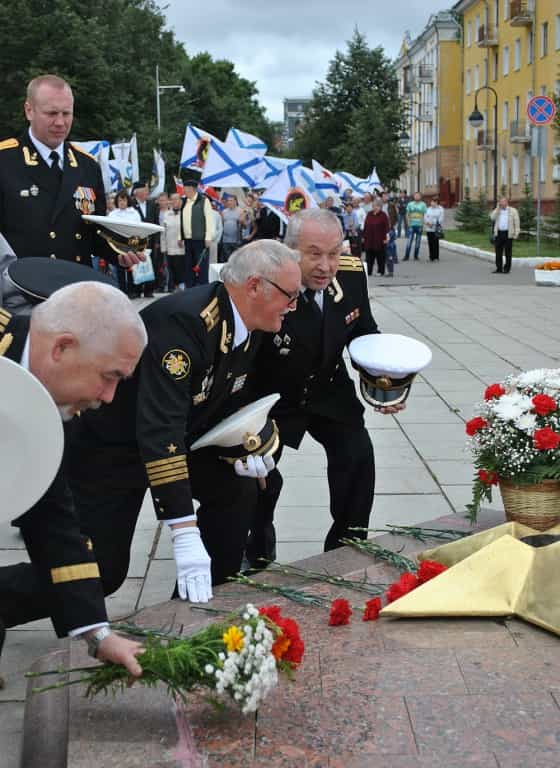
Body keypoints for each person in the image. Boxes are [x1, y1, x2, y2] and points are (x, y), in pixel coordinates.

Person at [65, 241, 301, 605]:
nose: (293, 306)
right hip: (113, 450)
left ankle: (201, 606)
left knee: (236, 488)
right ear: (254, 286)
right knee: (101, 571)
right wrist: (183, 530)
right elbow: (161, 429)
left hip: (179, 436)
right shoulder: (186, 322)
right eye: (290, 295)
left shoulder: (249, 322)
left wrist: (250, 440)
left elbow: (227, 396)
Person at [0, 282, 148, 679]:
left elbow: (53, 520)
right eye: (109, 376)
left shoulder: (53, 407)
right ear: (61, 348)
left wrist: (97, 634)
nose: (111, 396)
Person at [246, 209, 404, 568]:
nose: (326, 265)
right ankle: (256, 541)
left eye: (333, 253)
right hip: (272, 394)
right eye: (314, 253)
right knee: (259, 476)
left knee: (357, 456)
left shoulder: (350, 276)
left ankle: (348, 547)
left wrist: (385, 380)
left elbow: (363, 333)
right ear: (290, 251)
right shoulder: (263, 281)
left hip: (327, 385)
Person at [0, 74, 140, 272]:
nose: (60, 122)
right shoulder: (5, 161)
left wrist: (121, 252)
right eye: (51, 113)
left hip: (74, 286)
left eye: (67, 114)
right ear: (29, 110)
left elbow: (94, 233)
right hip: (20, 290)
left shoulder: (87, 166)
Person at [180, 179, 215, 288]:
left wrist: (209, 237)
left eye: (185, 188)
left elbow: (209, 220)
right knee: (188, 266)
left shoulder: (204, 201)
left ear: (193, 189)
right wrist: (180, 236)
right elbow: (181, 220)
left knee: (201, 266)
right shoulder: (185, 201)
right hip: (188, 239)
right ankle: (190, 288)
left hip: (200, 239)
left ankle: (202, 287)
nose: (184, 191)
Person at [108, 189, 141, 295]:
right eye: (120, 200)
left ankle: (133, 290)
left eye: (124, 200)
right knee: (120, 267)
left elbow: (139, 228)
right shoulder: (113, 214)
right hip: (118, 243)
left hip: (131, 243)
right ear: (117, 202)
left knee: (131, 267)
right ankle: (122, 290)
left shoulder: (134, 213)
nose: (122, 202)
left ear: (128, 201)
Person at [490, 197, 520, 274]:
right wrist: (497, 209)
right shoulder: (498, 210)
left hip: (508, 234)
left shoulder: (513, 211)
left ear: (507, 202)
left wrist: (516, 233)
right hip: (499, 233)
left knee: (508, 252)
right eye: (500, 202)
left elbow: (517, 223)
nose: (502, 203)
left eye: (503, 202)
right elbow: (492, 218)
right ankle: (499, 268)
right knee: (498, 252)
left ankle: (507, 268)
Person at [162, 192, 185, 290]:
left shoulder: (185, 213)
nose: (175, 201)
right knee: (171, 269)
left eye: (177, 199)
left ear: (181, 201)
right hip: (170, 247)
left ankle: (182, 287)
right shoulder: (166, 214)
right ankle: (174, 288)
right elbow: (163, 232)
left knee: (181, 268)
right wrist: (163, 247)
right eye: (173, 199)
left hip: (182, 248)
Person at [363, 200, 390, 276]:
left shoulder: (383, 215)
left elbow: (387, 227)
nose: (375, 207)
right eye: (374, 206)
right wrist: (363, 236)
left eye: (377, 206)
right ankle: (368, 271)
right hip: (369, 239)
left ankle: (380, 271)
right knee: (369, 257)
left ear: (380, 207)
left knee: (380, 257)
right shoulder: (369, 214)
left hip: (380, 239)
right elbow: (365, 225)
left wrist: (386, 238)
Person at [404, 192, 427, 261]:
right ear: (413, 197)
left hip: (419, 225)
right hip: (411, 225)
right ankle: (406, 256)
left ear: (420, 197)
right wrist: (408, 223)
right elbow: (407, 214)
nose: (417, 197)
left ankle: (416, 256)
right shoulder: (410, 204)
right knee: (409, 241)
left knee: (418, 242)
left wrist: (423, 224)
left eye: (418, 196)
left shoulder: (423, 204)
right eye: (415, 195)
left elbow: (424, 215)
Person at [220, 195, 242, 262]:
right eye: (228, 201)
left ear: (235, 201)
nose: (229, 202)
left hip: (236, 240)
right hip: (225, 240)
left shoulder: (241, 211)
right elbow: (222, 224)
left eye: (231, 200)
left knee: (235, 259)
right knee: (227, 259)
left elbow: (245, 225)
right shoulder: (224, 212)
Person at [424, 197, 445, 262]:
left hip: (436, 229)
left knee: (435, 243)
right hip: (428, 228)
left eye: (434, 202)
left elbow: (440, 219)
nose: (432, 203)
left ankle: (436, 257)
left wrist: (432, 224)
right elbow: (425, 217)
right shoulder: (428, 209)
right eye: (432, 201)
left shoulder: (440, 209)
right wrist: (427, 223)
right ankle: (431, 257)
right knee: (430, 243)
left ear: (437, 203)